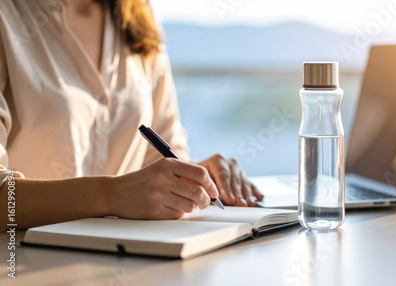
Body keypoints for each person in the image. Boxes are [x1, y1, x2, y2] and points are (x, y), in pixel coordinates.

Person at [0, 0, 264, 231]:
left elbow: (163, 149)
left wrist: (193, 178)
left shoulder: (138, 13)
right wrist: (112, 195)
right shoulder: (8, 15)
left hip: (132, 261)